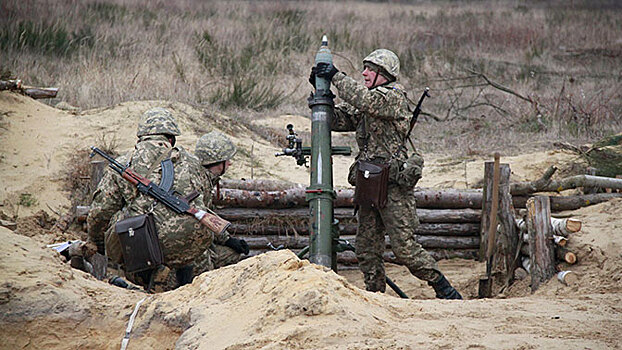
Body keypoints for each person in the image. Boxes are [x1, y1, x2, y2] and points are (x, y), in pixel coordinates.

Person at [311, 49, 462, 299]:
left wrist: (336, 76)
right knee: (366, 248)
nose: (364, 73)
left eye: (369, 69)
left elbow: (364, 101)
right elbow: (340, 120)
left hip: (392, 186)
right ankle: (375, 295)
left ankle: (444, 289)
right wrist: (321, 97)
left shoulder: (392, 97)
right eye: (364, 68)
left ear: (384, 74)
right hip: (370, 183)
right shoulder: (369, 99)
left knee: (405, 249)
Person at [87, 107, 219, 291]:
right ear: (171, 138)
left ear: (140, 138)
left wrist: (99, 243)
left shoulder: (126, 161)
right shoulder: (193, 162)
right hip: (191, 247)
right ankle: (177, 279)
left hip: (143, 251)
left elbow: (100, 213)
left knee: (121, 218)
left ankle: (148, 278)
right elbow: (206, 201)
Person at [192, 131, 249, 276]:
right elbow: (200, 217)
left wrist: (228, 240)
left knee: (232, 253)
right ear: (217, 162)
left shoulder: (202, 178)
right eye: (227, 159)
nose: (230, 163)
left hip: (196, 242)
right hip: (191, 247)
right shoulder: (197, 182)